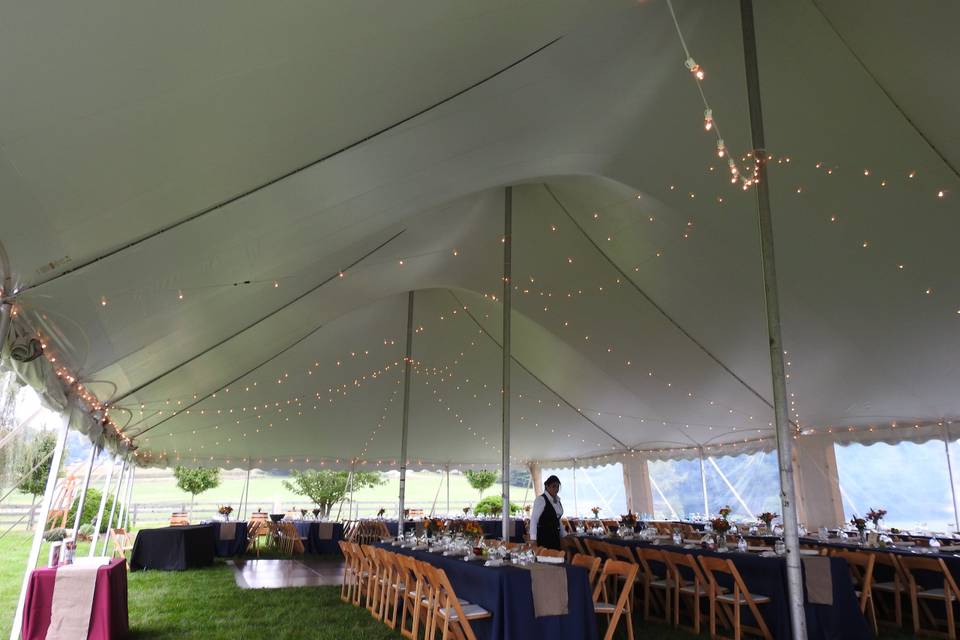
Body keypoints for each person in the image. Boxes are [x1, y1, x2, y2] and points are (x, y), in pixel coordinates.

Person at [529, 475, 564, 549]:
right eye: (554, 486)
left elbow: (557, 520)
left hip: (555, 537)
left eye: (557, 487)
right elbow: (534, 520)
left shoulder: (557, 500)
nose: (556, 489)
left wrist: (564, 534)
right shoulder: (541, 500)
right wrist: (533, 539)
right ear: (547, 487)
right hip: (544, 537)